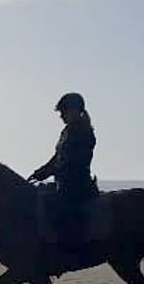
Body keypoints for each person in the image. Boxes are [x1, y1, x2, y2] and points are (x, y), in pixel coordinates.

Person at [30, 92, 98, 248]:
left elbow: (75, 161)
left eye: (63, 112)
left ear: (74, 110)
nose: (61, 116)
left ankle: (66, 246)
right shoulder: (67, 131)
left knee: (55, 208)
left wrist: (52, 171)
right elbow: (57, 157)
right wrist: (40, 171)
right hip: (63, 181)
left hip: (76, 184)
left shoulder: (84, 131)